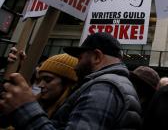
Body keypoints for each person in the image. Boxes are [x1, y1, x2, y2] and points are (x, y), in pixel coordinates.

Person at [0, 32, 142, 129]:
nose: (76, 65)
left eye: (80, 58)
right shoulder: (111, 84)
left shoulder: (104, 87)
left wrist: (27, 109)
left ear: (96, 57)